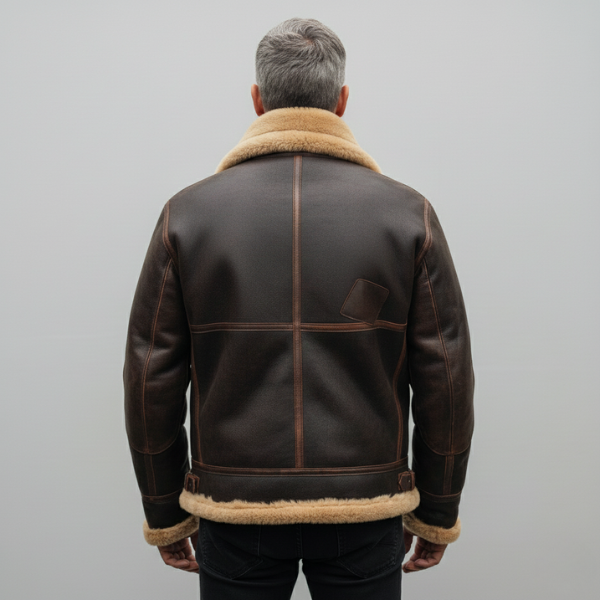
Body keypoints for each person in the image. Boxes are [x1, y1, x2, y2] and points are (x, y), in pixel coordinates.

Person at [124, 17, 474, 600]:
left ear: (257, 99)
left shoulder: (186, 216)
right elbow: (447, 376)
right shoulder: (407, 215)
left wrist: (165, 510)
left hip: (235, 510)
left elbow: (149, 378)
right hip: (365, 509)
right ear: (342, 100)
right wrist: (437, 511)